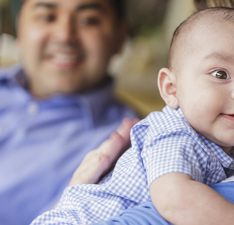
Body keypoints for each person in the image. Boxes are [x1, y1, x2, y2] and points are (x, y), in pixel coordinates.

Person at [31, 7, 234, 225]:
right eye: (220, 74)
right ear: (171, 89)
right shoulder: (174, 132)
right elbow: (175, 199)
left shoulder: (231, 152)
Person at [0, 0, 137, 224]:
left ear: (120, 37)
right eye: (47, 17)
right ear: (20, 29)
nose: (64, 35)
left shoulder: (129, 149)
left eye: (88, 20)